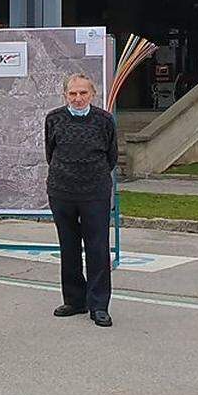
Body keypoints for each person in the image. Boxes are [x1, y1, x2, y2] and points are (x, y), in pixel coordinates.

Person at [45, 73, 118, 328]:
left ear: (92, 94)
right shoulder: (53, 119)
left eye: (83, 93)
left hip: (95, 192)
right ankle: (75, 300)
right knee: (69, 246)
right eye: (73, 93)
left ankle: (99, 305)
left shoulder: (104, 120)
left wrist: (91, 176)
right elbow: (50, 152)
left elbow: (111, 155)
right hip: (62, 191)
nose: (78, 98)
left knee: (98, 249)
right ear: (65, 95)